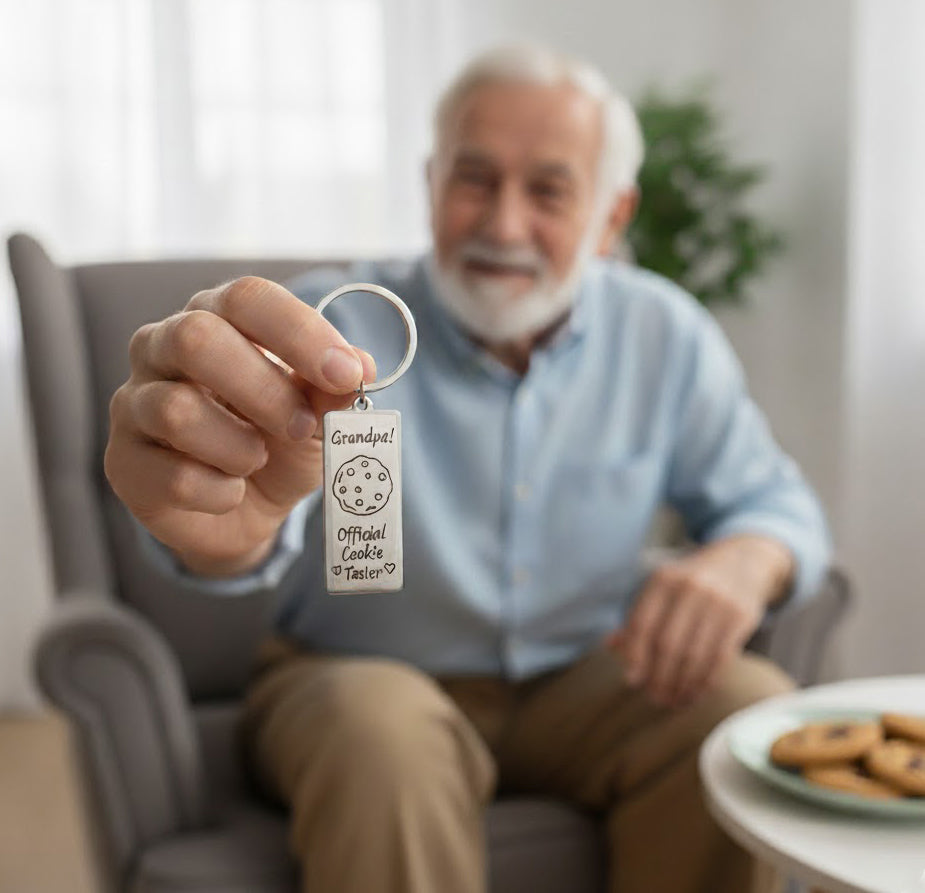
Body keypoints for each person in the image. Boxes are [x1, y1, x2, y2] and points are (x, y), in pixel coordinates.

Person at [104, 44, 831, 893]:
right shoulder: (325, 328)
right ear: (430, 182)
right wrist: (220, 531)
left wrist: (746, 555)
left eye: (548, 190)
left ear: (611, 215)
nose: (502, 224)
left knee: (745, 700)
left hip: (585, 678)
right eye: (474, 179)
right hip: (353, 676)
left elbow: (772, 500)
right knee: (382, 732)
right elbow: (236, 528)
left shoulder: (665, 335)